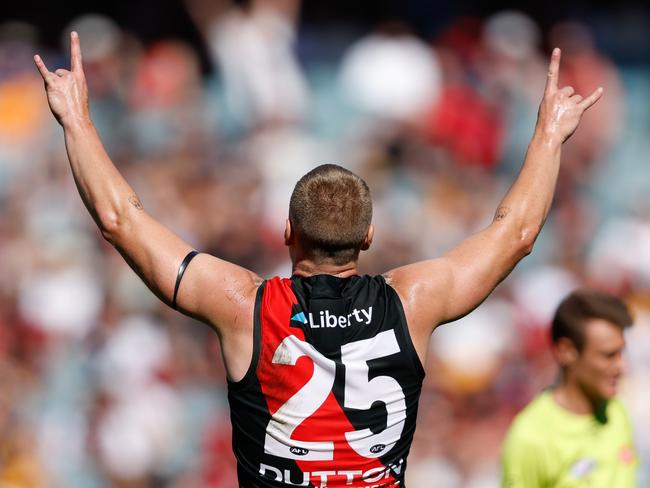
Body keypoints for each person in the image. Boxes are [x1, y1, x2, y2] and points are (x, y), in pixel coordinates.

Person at [35, 32, 602, 487]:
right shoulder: (412, 303)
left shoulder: (243, 306)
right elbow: (518, 233)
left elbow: (120, 221)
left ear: (286, 232)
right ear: (369, 235)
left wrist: (77, 122)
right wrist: (548, 137)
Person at [501, 289, 637, 487]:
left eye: (621, 353)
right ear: (567, 352)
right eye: (609, 355)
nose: (621, 366)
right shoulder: (530, 438)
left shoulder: (617, 410)